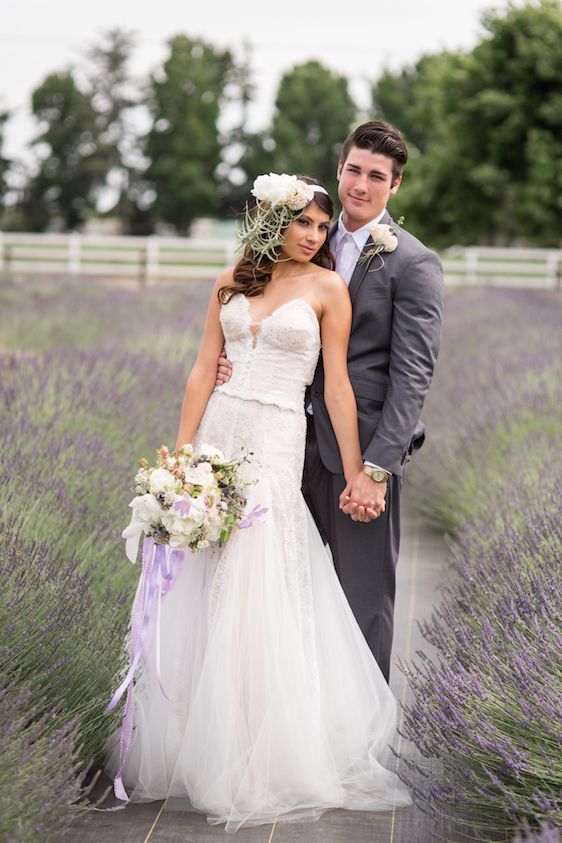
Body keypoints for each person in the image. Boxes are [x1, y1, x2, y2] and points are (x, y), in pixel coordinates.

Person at [105, 174, 410, 832]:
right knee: (206, 584)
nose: (314, 236)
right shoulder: (229, 283)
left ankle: (254, 753)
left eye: (324, 228)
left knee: (257, 583)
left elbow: (335, 389)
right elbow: (201, 366)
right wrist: (180, 459)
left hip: (273, 441)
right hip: (220, 431)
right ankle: (203, 742)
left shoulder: (328, 290)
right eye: (303, 223)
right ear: (273, 220)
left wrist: (359, 470)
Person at [218, 122, 444, 683]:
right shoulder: (303, 241)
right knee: (281, 592)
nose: (361, 185)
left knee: (361, 599)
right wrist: (235, 360)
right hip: (283, 445)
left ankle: (360, 747)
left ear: (395, 186)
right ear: (340, 170)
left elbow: (412, 375)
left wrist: (375, 469)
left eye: (376, 176)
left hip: (358, 453)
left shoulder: (412, 262)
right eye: (354, 170)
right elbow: (256, 313)